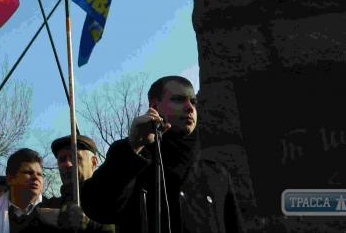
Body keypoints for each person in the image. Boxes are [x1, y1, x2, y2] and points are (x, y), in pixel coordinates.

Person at [80, 76, 243, 233]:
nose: (190, 107)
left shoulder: (216, 174)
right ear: (154, 107)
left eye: (193, 102)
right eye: (178, 99)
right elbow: (98, 207)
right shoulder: (132, 161)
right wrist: (133, 146)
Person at [0, 148, 60, 233]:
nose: (36, 177)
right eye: (29, 173)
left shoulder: (55, 210)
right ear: (10, 179)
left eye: (40, 174)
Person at [40, 135, 112, 233]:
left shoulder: (111, 200)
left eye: (75, 157)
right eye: (62, 159)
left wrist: (89, 224)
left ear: (93, 162)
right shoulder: (50, 206)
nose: (67, 164)